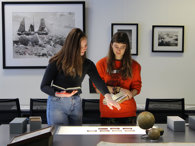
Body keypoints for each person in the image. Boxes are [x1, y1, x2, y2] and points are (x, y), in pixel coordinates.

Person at [40, 28, 120, 126]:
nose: (84, 48)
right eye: (80, 46)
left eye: (85, 45)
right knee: (59, 138)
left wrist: (108, 97)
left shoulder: (87, 64)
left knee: (76, 138)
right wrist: (60, 94)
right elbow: (44, 86)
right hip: (57, 104)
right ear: (72, 47)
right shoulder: (56, 63)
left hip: (76, 103)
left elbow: (98, 81)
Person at [94, 31, 142, 125]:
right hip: (108, 113)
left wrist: (130, 94)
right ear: (111, 45)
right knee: (106, 140)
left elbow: (137, 88)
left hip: (128, 113)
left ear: (126, 48)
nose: (118, 50)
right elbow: (97, 88)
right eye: (116, 46)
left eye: (122, 47)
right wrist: (119, 89)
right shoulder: (101, 64)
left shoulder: (135, 66)